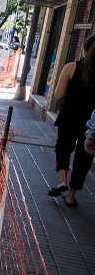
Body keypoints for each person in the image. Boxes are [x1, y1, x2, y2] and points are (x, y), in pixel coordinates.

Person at [47, 35, 95, 206]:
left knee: (63, 148)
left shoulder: (71, 67)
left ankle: (62, 181)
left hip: (69, 117)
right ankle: (71, 196)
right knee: (84, 157)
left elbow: (58, 95)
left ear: (84, 49)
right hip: (91, 123)